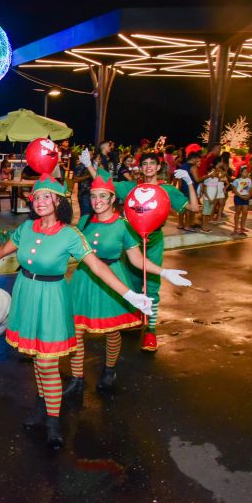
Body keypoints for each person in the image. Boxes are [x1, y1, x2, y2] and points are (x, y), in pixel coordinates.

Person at [0, 175, 152, 447]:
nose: (41, 201)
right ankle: (42, 407)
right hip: (26, 294)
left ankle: (54, 421)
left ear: (59, 201)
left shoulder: (70, 234)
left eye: (47, 196)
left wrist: (131, 295)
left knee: (46, 361)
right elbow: (3, 250)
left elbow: (98, 266)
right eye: (37, 196)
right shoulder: (27, 228)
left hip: (52, 297)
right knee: (33, 354)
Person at [66, 168, 191, 395]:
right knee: (76, 330)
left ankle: (109, 369)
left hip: (111, 281)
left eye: (103, 196)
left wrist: (164, 272)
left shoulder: (124, 226)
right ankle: (77, 378)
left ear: (114, 198)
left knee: (112, 331)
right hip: (84, 279)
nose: (97, 201)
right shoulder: (84, 221)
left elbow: (136, 260)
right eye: (93, 196)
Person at [82, 150, 199, 352]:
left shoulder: (167, 191)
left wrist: (189, 182)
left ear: (159, 166)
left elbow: (195, 209)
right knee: (132, 282)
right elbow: (105, 186)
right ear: (140, 167)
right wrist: (89, 165)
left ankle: (151, 330)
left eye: (152, 163)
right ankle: (137, 319)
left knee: (151, 285)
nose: (148, 167)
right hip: (130, 241)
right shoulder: (130, 188)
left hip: (153, 242)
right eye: (144, 163)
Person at [230, 165, 252, 236]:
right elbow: (234, 190)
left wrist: (248, 196)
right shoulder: (237, 180)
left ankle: (242, 227)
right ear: (241, 172)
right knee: (238, 212)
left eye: (247, 172)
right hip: (238, 197)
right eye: (245, 172)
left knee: (245, 212)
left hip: (246, 197)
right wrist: (240, 196)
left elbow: (250, 189)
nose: (246, 173)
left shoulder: (249, 180)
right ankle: (236, 227)